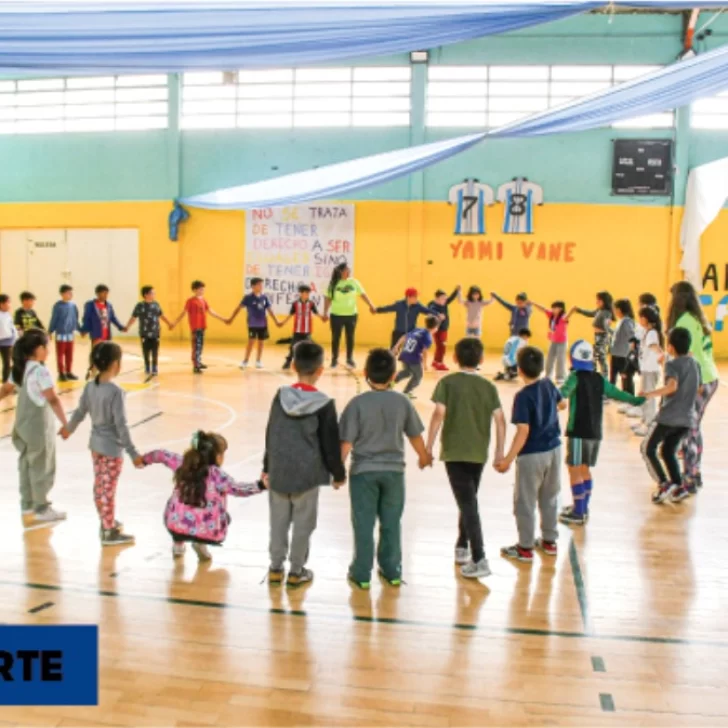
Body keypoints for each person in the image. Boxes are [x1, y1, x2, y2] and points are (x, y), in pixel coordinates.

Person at [340, 349, 431, 589]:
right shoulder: (402, 401)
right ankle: (392, 571)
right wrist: (423, 456)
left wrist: (338, 471)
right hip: (394, 473)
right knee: (391, 522)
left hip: (363, 474)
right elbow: (414, 434)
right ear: (393, 375)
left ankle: (361, 574)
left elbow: (346, 442)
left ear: (365, 373)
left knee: (363, 524)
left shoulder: (357, 404)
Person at [262, 341, 346, 587]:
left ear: (294, 365)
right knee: (303, 525)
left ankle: (275, 568)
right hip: (307, 476)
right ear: (321, 370)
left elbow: (271, 433)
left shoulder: (280, 396)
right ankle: (297, 571)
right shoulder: (325, 404)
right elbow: (330, 444)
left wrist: (267, 466)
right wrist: (338, 474)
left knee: (278, 522)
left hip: (279, 471)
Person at [427, 338, 506, 579]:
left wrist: (428, 446)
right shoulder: (488, 386)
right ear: (482, 360)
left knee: (468, 503)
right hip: (478, 452)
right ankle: (462, 545)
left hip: (454, 452)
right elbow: (500, 420)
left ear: (454, 358)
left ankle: (480, 557)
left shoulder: (447, 382)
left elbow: (439, 414)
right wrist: (499, 452)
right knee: (468, 499)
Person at [61, 342, 144, 546]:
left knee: (100, 486)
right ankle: (108, 531)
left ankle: (106, 521)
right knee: (107, 489)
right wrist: (133, 453)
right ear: (116, 364)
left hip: (95, 447)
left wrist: (69, 428)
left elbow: (80, 412)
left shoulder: (90, 386)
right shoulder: (115, 391)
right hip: (111, 449)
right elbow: (121, 425)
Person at [558, 340, 645, 526]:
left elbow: (562, 393)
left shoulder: (574, 377)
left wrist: (551, 398)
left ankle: (579, 512)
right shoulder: (600, 379)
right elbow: (618, 393)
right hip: (595, 433)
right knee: (585, 469)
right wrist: (636, 400)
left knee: (574, 469)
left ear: (573, 358)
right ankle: (582, 507)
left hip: (578, 432)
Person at [143, 431, 266, 562]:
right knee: (225, 517)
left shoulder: (182, 464)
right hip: (207, 530)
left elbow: (161, 455)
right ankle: (200, 543)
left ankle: (178, 545)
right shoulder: (217, 475)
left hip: (176, 524)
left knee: (177, 509)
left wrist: (144, 460)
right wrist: (261, 485)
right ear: (217, 457)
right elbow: (238, 489)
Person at [495, 346, 561, 563]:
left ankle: (525, 547)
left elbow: (523, 431)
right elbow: (562, 403)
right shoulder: (549, 384)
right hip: (554, 450)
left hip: (532, 454)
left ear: (520, 370)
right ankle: (550, 541)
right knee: (549, 496)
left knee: (525, 501)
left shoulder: (523, 396)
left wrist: (507, 459)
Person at [0, 329, 68, 528]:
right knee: (41, 463)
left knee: (26, 462)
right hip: (38, 425)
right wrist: (66, 423)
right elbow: (53, 399)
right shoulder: (40, 370)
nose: (48, 350)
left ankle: (27, 503)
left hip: (22, 424)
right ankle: (41, 507)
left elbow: (5, 390)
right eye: (46, 346)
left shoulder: (19, 369)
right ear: (37, 349)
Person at [667, 281, 720, 494]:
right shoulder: (697, 318)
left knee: (689, 429)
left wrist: (692, 384)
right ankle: (694, 473)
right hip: (710, 377)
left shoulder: (685, 321)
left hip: (700, 380)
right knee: (694, 427)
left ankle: (689, 479)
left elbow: (690, 356)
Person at [640, 328, 700, 504]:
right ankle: (678, 485)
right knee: (668, 451)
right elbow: (699, 387)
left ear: (671, 347)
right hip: (687, 419)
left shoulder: (672, 365)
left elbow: (672, 386)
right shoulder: (694, 363)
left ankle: (664, 483)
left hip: (669, 418)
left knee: (647, 448)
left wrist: (649, 393)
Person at [323, 263, 375, 369]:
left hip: (351, 315)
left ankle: (350, 359)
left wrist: (371, 305)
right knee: (335, 338)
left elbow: (363, 294)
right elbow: (328, 298)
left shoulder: (354, 282)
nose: (348, 271)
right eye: (346, 270)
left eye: (349, 270)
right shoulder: (333, 284)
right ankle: (334, 359)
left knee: (350, 337)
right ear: (341, 271)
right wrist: (325, 312)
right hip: (336, 315)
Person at [171, 280, 226, 374]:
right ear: (194, 290)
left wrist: (223, 318)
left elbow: (210, 311)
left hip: (202, 326)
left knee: (200, 345)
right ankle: (195, 365)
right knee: (196, 346)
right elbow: (184, 312)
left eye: (203, 289)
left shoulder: (203, 300)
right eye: (200, 289)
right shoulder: (190, 301)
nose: (202, 291)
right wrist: (175, 322)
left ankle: (199, 362)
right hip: (195, 327)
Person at [228, 277, 280, 370]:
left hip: (263, 324)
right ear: (253, 286)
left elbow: (269, 310)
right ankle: (245, 361)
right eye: (259, 284)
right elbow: (238, 308)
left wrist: (276, 321)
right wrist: (231, 319)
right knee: (251, 342)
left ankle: (258, 360)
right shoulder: (248, 298)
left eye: (261, 284)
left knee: (261, 342)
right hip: (252, 324)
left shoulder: (264, 298)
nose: (261, 286)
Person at [126, 285, 172, 379]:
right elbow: (133, 317)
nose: (154, 294)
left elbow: (161, 315)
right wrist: (127, 326)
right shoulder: (140, 306)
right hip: (144, 333)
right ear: (146, 294)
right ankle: (147, 366)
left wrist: (169, 323)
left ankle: (154, 367)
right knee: (146, 351)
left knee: (155, 350)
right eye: (152, 293)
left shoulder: (156, 304)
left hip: (155, 332)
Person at [631, 306, 664, 437]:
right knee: (644, 395)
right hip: (646, 369)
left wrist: (662, 356)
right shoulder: (648, 332)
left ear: (645, 319)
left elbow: (654, 346)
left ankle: (649, 424)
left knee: (648, 396)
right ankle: (644, 420)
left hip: (650, 370)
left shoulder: (652, 333)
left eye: (641, 317)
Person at [277, 284, 323, 370]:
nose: (307, 295)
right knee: (293, 346)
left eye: (308, 293)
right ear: (301, 293)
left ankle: (312, 363)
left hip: (307, 330)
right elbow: (290, 315)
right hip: (297, 330)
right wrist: (282, 322)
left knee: (309, 346)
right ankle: (288, 361)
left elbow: (316, 313)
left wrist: (323, 318)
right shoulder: (295, 304)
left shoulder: (311, 304)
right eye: (305, 293)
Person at [376, 288, 440, 350]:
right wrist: (377, 310)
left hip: (411, 333)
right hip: (398, 332)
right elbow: (388, 308)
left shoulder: (418, 306)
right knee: (393, 351)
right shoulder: (399, 304)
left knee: (409, 352)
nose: (417, 299)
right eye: (415, 297)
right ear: (408, 297)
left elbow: (427, 310)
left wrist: (438, 314)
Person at [393, 315, 439, 399]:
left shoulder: (418, 329)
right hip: (413, 358)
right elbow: (425, 352)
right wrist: (425, 364)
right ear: (436, 327)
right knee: (418, 376)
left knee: (407, 372)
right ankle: (406, 392)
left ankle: (392, 381)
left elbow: (404, 336)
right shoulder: (428, 337)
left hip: (405, 354)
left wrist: (396, 346)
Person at [571, 291, 614, 380]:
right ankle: (594, 374)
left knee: (600, 357)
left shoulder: (606, 312)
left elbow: (606, 325)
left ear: (604, 302)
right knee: (596, 355)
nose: (597, 302)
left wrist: (611, 332)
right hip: (597, 336)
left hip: (602, 336)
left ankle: (604, 376)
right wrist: (579, 310)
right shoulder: (599, 310)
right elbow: (590, 313)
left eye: (599, 300)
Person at [530, 300, 570, 385]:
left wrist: (573, 310)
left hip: (562, 342)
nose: (553, 310)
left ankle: (560, 377)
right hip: (554, 341)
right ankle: (548, 375)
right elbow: (543, 309)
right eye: (553, 308)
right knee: (550, 358)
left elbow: (568, 315)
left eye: (555, 308)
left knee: (560, 360)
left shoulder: (564, 317)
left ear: (560, 309)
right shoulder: (552, 315)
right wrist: (533, 303)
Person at [48, 284, 83, 382]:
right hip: (61, 334)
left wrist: (80, 330)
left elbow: (76, 319)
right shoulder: (58, 306)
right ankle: (61, 373)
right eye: (68, 293)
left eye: (71, 293)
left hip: (70, 334)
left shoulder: (73, 305)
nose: (70, 294)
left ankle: (69, 371)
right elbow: (54, 319)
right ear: (62, 294)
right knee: (60, 354)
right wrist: (50, 331)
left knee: (69, 354)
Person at [428, 286, 460, 371]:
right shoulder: (433, 306)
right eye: (442, 299)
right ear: (437, 299)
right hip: (438, 329)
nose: (445, 300)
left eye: (445, 299)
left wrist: (456, 291)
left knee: (440, 346)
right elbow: (430, 313)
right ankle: (439, 362)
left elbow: (451, 299)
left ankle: (435, 361)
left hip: (444, 329)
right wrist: (438, 316)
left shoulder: (444, 303)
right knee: (442, 346)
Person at [610, 299, 637, 394]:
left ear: (619, 310)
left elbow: (631, 335)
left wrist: (632, 350)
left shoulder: (627, 322)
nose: (614, 311)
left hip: (622, 354)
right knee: (613, 376)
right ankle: (613, 394)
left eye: (615, 309)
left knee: (625, 377)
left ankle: (629, 396)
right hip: (616, 353)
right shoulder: (621, 321)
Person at [0, 293, 16, 384]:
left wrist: (15, 336)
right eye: (8, 302)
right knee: (7, 363)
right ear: (1, 304)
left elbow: (11, 328)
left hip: (8, 342)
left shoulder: (8, 315)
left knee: (8, 363)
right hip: (3, 341)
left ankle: (7, 381)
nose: (9, 305)